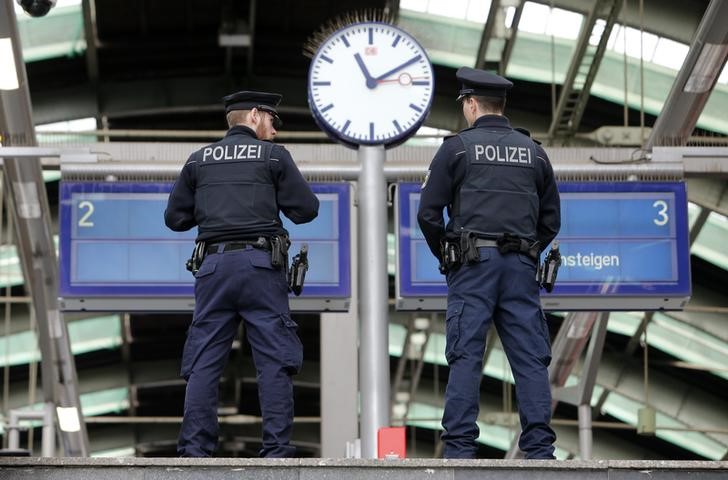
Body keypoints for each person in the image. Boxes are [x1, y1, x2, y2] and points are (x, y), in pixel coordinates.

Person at [164, 90, 319, 458]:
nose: (275, 131)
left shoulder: (199, 160)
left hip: (213, 268)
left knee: (203, 360)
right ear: (253, 115)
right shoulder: (274, 157)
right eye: (272, 121)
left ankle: (195, 452)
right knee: (274, 359)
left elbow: (175, 218)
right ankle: (277, 450)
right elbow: (306, 209)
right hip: (260, 268)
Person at [417, 67, 561, 459]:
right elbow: (551, 220)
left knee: (466, 353)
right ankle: (539, 450)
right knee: (530, 357)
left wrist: (448, 255)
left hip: (472, 265)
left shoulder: (457, 149)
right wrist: (527, 248)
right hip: (520, 269)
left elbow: (428, 214)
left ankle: (460, 449)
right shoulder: (534, 152)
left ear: (472, 103)